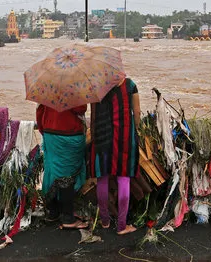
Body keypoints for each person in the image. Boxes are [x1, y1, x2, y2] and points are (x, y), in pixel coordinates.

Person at [89, 77, 141, 235]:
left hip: (101, 138)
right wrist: (136, 129)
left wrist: (93, 133)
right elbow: (137, 112)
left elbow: (92, 116)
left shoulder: (96, 85)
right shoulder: (130, 85)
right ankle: (121, 225)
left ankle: (104, 221)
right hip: (124, 138)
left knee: (102, 178)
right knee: (123, 177)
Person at [37, 104, 88, 229]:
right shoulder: (73, 86)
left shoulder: (47, 87)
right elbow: (79, 108)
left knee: (52, 172)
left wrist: (45, 130)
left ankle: (53, 212)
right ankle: (68, 217)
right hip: (69, 133)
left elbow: (39, 111)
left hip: (50, 133)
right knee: (68, 174)